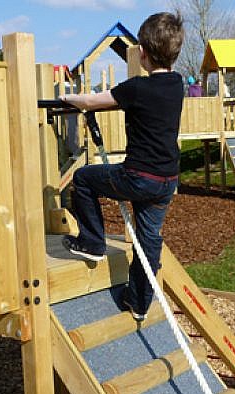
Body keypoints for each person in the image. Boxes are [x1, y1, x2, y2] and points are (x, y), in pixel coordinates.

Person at [59, 12, 184, 322]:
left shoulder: (136, 88)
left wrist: (66, 97)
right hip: (167, 179)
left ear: (142, 52)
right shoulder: (177, 84)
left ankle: (91, 242)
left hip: (138, 177)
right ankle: (139, 301)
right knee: (149, 239)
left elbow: (91, 101)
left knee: (84, 179)